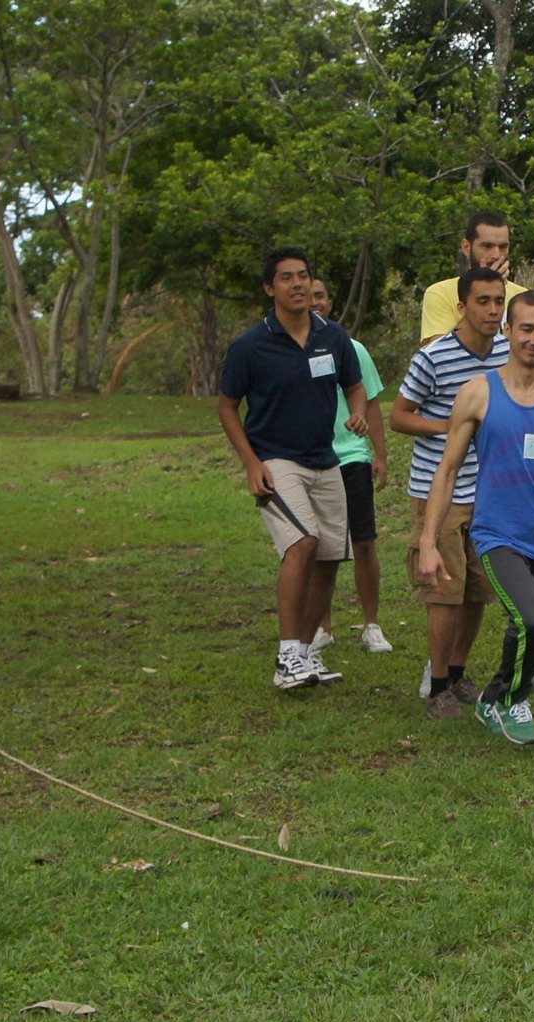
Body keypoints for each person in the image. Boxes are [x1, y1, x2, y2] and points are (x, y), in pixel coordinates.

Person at [394, 267, 534, 719]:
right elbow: (399, 416)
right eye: (483, 301)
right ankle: (437, 684)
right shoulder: (434, 357)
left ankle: (457, 675)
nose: (493, 310)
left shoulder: (509, 350)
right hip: (441, 489)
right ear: (462, 307)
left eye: (499, 301)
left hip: (493, 493)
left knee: (477, 592)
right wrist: (458, 427)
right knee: (445, 593)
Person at [217, 247, 371, 690]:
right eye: (286, 278)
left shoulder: (333, 337)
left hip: (326, 460)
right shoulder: (250, 345)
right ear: (270, 288)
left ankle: (305, 654)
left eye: (304, 275)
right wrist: (251, 463)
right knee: (302, 543)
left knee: (329, 557)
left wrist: (357, 413)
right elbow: (228, 407)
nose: (298, 284)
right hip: (276, 460)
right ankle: (287, 658)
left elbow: (355, 387)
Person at [303, 276, 394, 655]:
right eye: (306, 296)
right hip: (308, 461)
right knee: (318, 549)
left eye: (320, 295)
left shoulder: (350, 347)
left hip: (351, 458)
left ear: (329, 301)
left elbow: (370, 400)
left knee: (364, 542)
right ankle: (322, 627)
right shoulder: (287, 351)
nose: (313, 302)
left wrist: (380, 454)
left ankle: (371, 624)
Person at [418, 211, 528, 345]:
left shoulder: (522, 297)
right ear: (466, 247)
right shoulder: (440, 293)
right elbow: (440, 355)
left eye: (503, 247)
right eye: (487, 246)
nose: (496, 255)